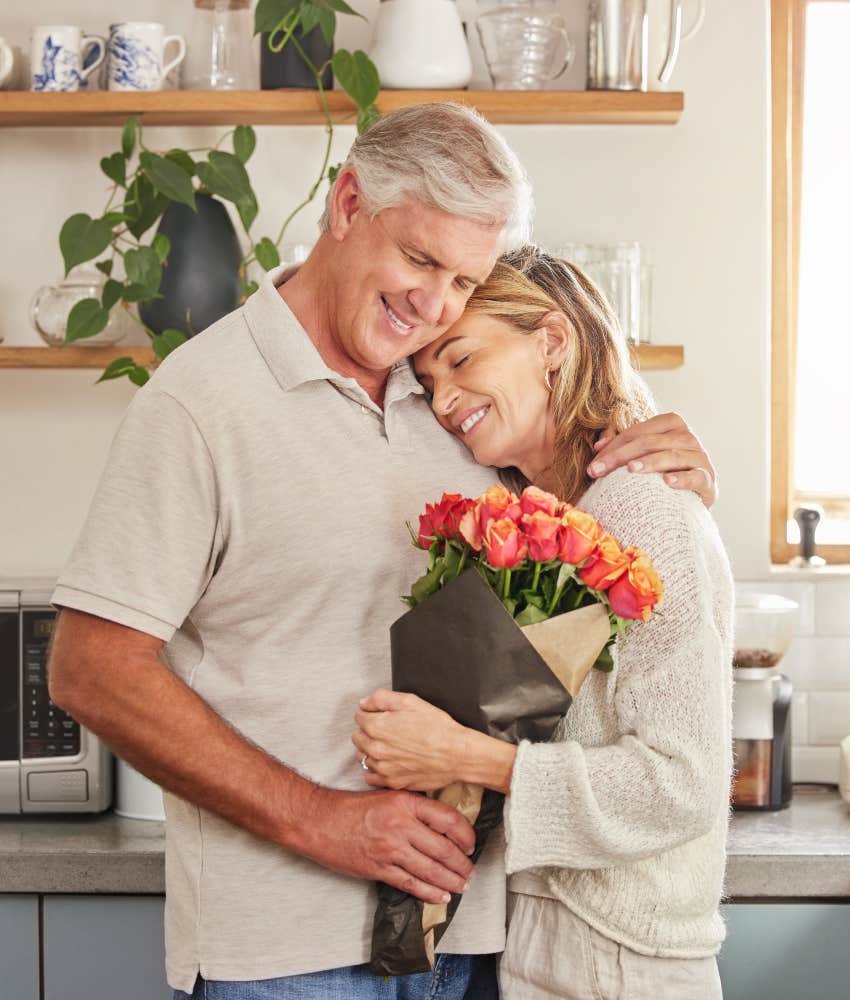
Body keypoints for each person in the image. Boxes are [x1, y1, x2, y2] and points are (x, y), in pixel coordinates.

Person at [46, 105, 718, 1000]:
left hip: (479, 942)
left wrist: (669, 458)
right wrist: (325, 822)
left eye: (462, 281)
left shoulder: (453, 392)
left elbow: (596, 539)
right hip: (286, 956)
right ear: (348, 202)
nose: (432, 304)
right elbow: (92, 669)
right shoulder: (200, 404)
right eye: (419, 259)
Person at [354, 247, 733, 1000]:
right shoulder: (547, 515)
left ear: (553, 342)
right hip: (546, 940)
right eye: (428, 381)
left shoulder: (643, 508)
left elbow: (682, 785)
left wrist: (464, 757)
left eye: (460, 360)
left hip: (621, 960)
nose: (444, 398)